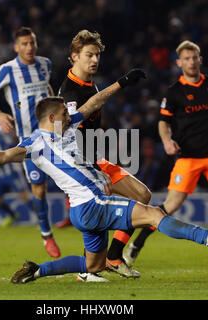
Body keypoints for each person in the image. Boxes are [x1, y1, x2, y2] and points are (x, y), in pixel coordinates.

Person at [0, 70, 208, 285]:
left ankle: (36, 270)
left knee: (92, 264)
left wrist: (121, 83)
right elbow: (2, 156)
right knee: (151, 214)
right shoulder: (34, 144)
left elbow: (93, 102)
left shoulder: (67, 126)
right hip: (93, 202)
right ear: (51, 118)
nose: (69, 113)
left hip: (84, 210)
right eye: (63, 112)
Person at [124, 40, 208, 265]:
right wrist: (167, 140)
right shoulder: (174, 92)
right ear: (179, 62)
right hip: (188, 156)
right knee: (171, 206)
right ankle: (138, 243)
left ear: (200, 60)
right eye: (187, 58)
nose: (191, 62)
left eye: (194, 57)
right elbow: (163, 122)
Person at [56, 30, 153, 281]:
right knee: (98, 211)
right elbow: (77, 121)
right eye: (89, 55)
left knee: (142, 195)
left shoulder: (90, 84)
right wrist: (122, 83)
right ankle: (87, 270)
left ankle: (113, 257)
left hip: (94, 157)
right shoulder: (69, 92)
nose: (94, 60)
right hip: (79, 163)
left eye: (97, 54)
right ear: (73, 57)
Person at [0, 27, 60, 257]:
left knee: (73, 179)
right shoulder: (7, 70)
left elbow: (47, 88)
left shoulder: (45, 64)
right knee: (39, 189)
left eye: (32, 43)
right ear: (16, 47)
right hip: (28, 141)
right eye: (24, 44)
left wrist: (57, 108)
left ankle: (85, 224)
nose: (29, 47)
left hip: (53, 136)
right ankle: (46, 234)